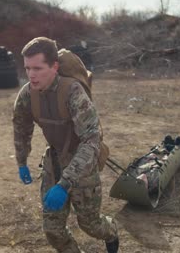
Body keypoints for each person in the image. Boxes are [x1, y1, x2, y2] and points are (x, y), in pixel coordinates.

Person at [12, 37, 119, 253]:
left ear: (54, 67)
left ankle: (112, 232)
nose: (31, 74)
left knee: (90, 225)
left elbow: (91, 141)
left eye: (38, 68)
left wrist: (65, 183)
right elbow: (21, 128)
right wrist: (22, 161)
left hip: (82, 162)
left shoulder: (73, 92)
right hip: (54, 160)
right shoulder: (27, 94)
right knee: (53, 230)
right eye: (27, 68)